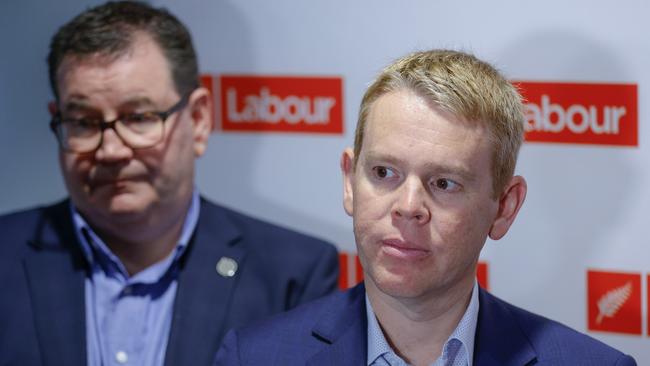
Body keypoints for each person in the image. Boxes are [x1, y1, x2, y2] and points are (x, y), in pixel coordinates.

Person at [213, 50, 636, 365]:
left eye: (444, 183)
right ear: (349, 181)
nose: (408, 207)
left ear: (504, 207)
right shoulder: (252, 357)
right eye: (383, 173)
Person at [0, 2, 339, 366]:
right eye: (83, 122)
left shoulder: (292, 276)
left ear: (199, 119)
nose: (111, 150)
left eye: (139, 118)